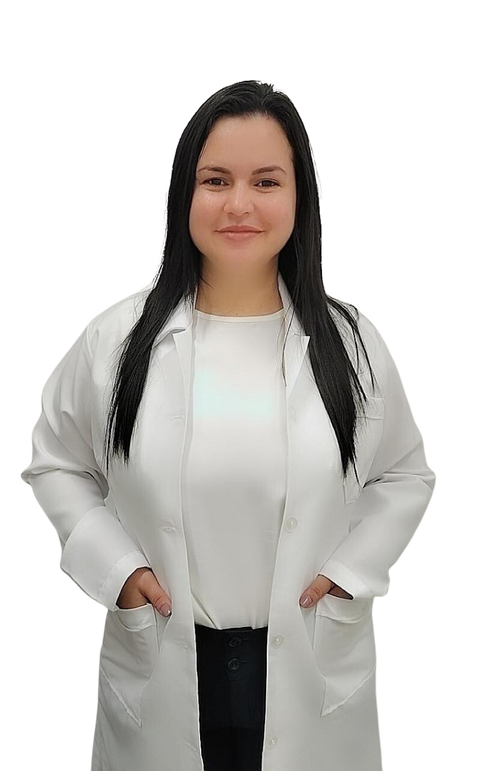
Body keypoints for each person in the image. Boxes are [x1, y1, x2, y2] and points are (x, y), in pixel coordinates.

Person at [18, 78, 438, 771]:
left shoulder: (353, 340)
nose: (239, 204)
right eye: (215, 180)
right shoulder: (115, 338)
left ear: (301, 197)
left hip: (310, 661)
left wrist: (350, 571)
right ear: (183, 195)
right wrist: (116, 568)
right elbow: (55, 460)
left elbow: (406, 472)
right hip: (165, 659)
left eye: (266, 181)